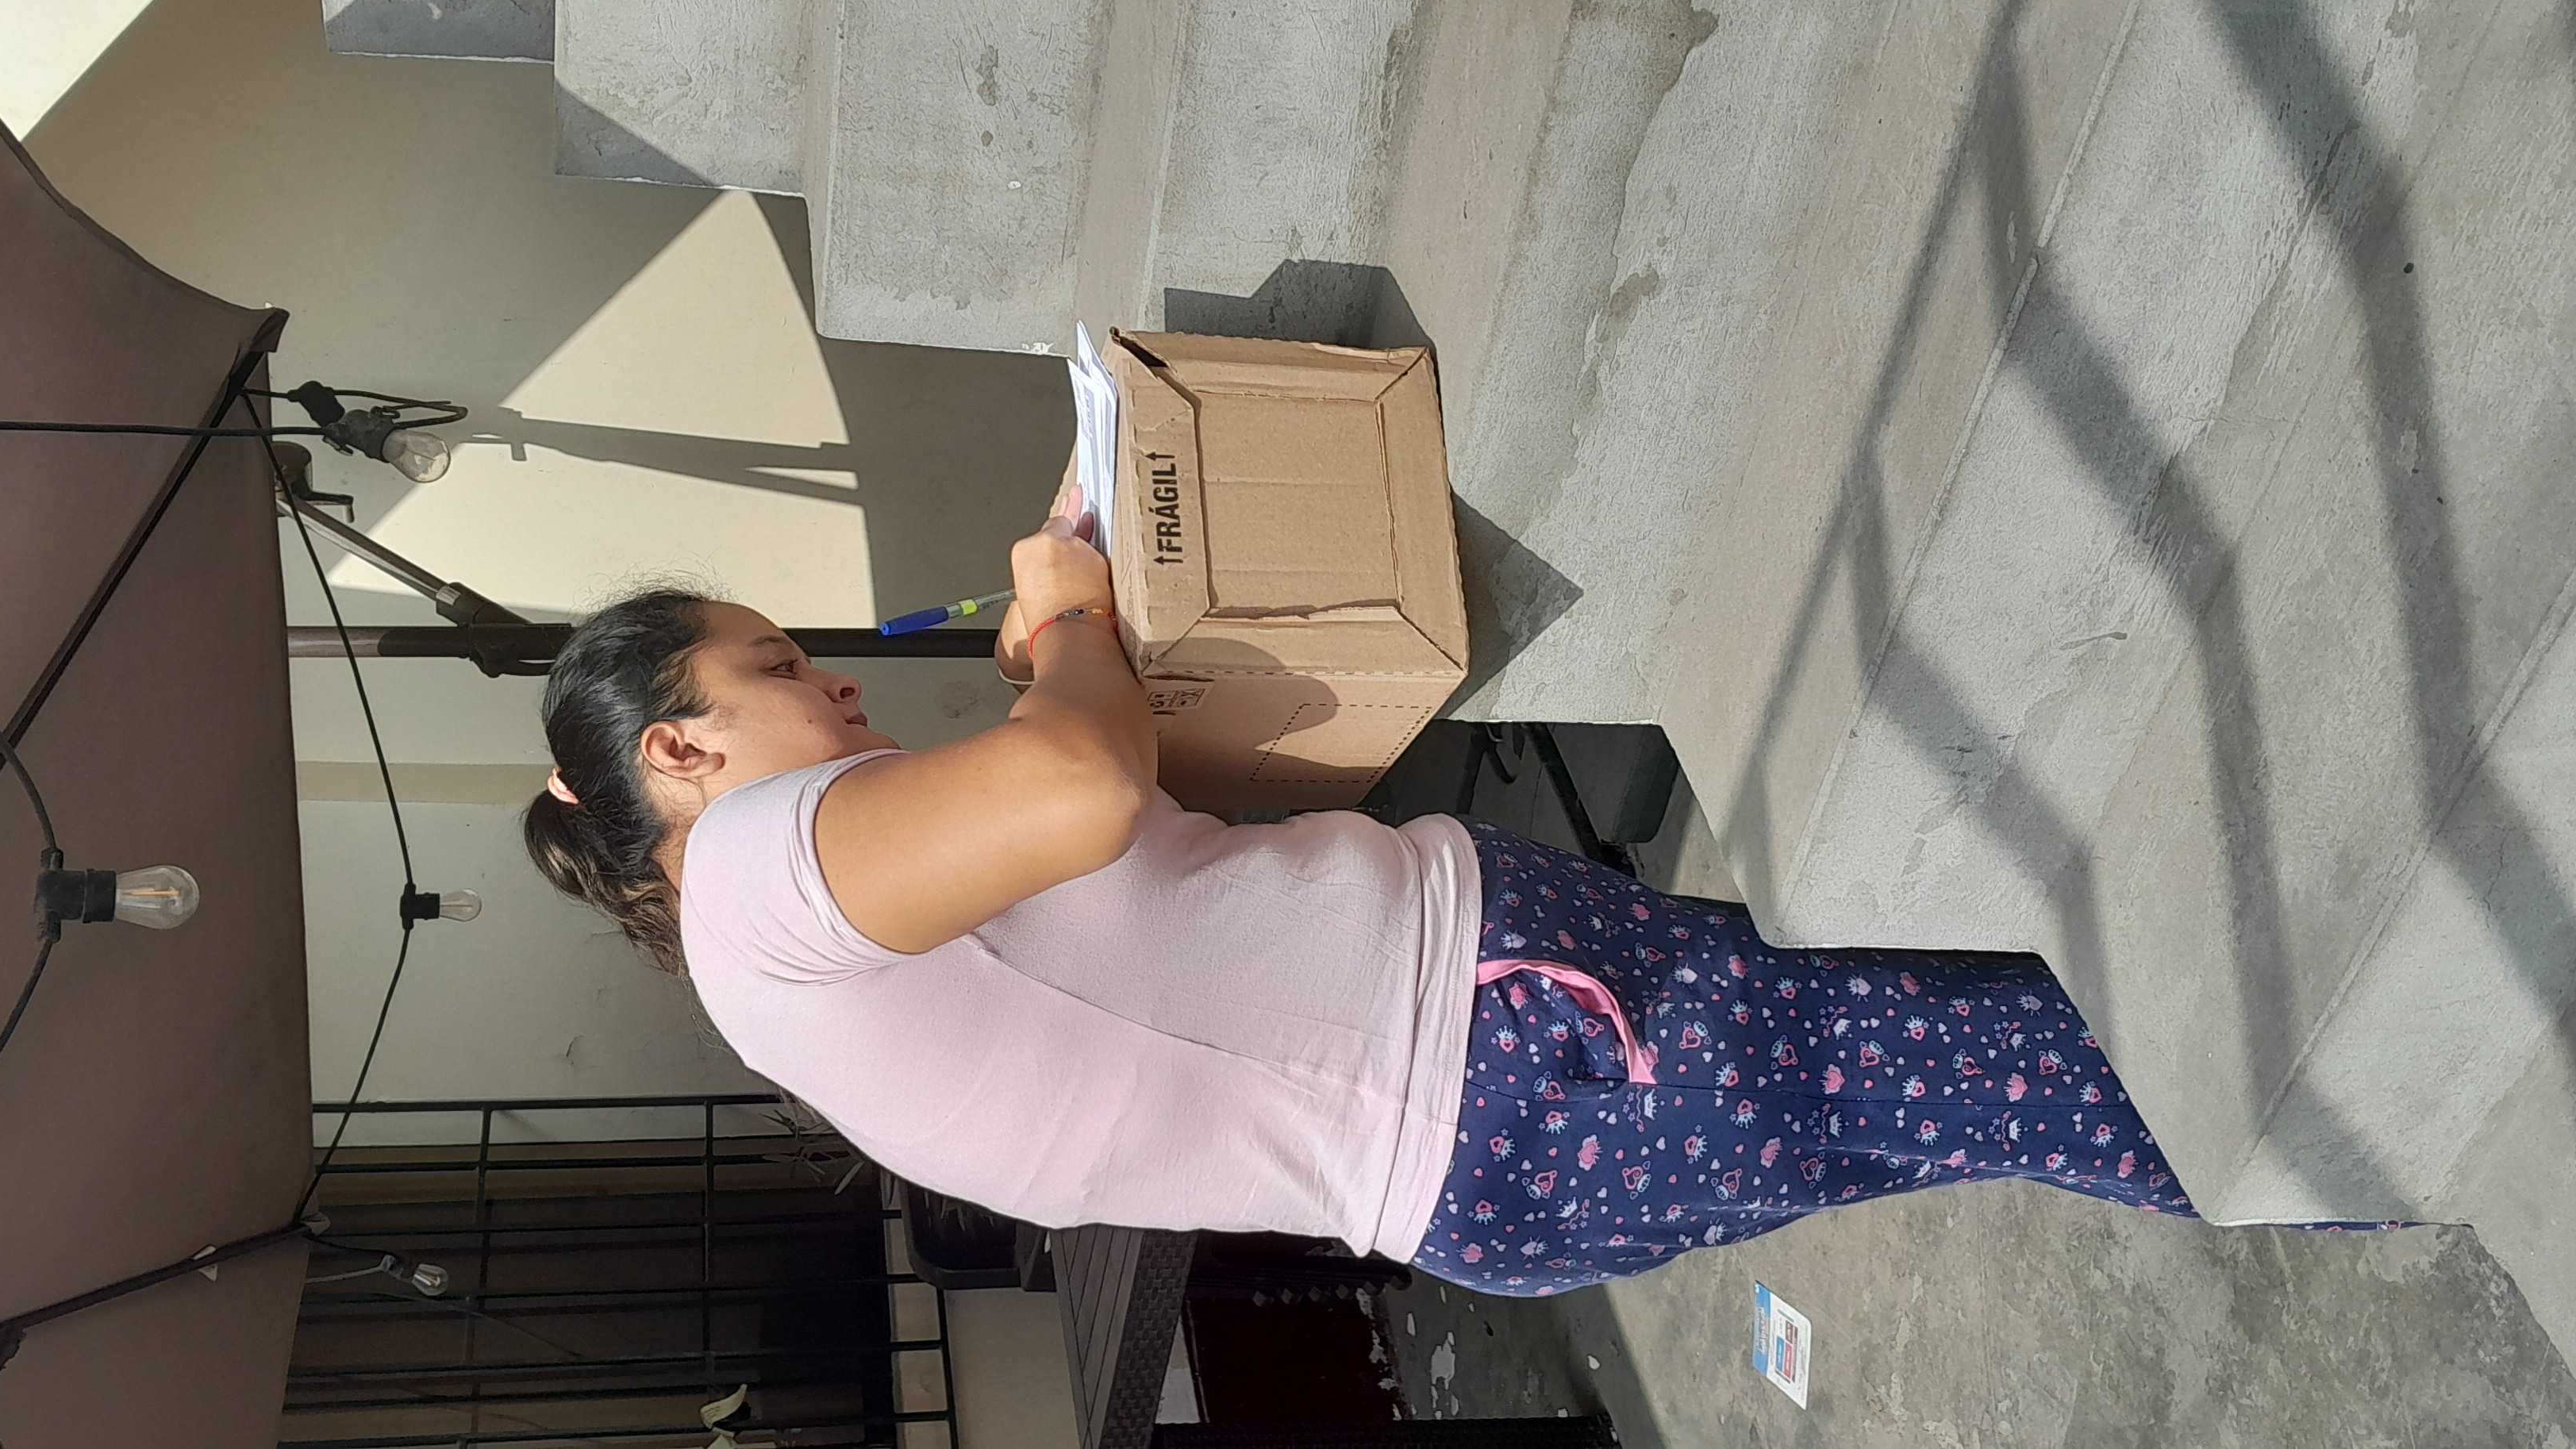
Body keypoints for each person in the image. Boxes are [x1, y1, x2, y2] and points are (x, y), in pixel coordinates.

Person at [521, 467, 2349, 1298]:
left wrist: (1064, 675)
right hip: (1526, 1057)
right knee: (2054, 1065)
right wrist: (1068, 622)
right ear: (678, 750)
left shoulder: (783, 974)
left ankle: (2359, 1111)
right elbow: (1078, 786)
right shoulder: (748, 869)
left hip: (1510, 1105)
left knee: (2006, 1071)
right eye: (778, 668)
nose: (837, 691)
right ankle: (2389, 1100)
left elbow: (1111, 912)